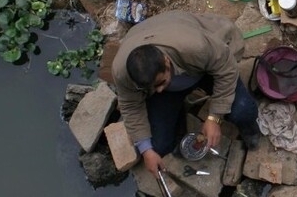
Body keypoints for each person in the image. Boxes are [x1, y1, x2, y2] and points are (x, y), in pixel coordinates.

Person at [111, 10, 260, 174]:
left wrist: (214, 117)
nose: (159, 90)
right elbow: (130, 105)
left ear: (166, 61)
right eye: (151, 88)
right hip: (170, 70)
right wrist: (146, 150)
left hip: (201, 70)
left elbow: (226, 69)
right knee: (158, 146)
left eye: (161, 83)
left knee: (243, 110)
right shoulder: (122, 72)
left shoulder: (195, 47)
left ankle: (250, 132)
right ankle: (178, 123)